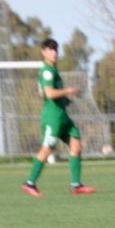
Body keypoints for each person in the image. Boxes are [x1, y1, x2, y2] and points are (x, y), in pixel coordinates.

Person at [21, 38, 95, 196]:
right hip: (53, 118)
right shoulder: (47, 70)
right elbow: (49, 93)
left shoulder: (53, 70)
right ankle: (30, 183)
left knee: (76, 145)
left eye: (55, 49)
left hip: (63, 117)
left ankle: (76, 185)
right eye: (49, 49)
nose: (53, 53)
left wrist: (65, 99)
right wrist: (68, 90)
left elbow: (49, 93)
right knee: (46, 149)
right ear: (43, 52)